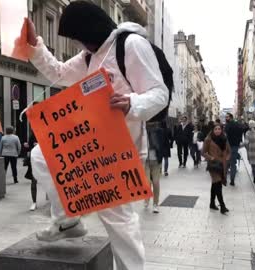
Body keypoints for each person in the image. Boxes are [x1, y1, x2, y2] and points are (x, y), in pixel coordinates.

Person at [26, 1, 170, 269]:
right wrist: (36, 46)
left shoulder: (132, 46)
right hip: (92, 143)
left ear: (91, 31)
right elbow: (59, 73)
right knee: (41, 155)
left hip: (122, 151)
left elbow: (159, 94)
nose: (80, 46)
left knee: (119, 220)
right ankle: (67, 221)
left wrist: (132, 103)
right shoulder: (90, 56)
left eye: (80, 40)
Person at [202, 124, 230, 214]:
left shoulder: (224, 138)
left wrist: (227, 158)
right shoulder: (208, 139)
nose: (217, 131)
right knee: (218, 184)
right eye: (216, 129)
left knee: (215, 184)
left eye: (219, 129)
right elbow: (203, 152)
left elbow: (229, 151)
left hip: (222, 164)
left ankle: (212, 203)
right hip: (213, 165)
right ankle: (222, 205)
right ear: (212, 130)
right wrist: (211, 158)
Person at [144, 122, 163, 214]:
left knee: (155, 182)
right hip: (145, 161)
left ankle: (155, 204)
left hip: (156, 160)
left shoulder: (159, 131)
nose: (150, 125)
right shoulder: (142, 132)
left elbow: (164, 144)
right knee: (146, 182)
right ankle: (146, 199)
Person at [224, 113, 243, 186]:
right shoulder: (238, 125)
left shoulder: (227, 125)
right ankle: (232, 180)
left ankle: (225, 179)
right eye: (226, 117)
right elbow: (241, 134)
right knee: (233, 163)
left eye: (227, 117)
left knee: (226, 163)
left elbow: (225, 136)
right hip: (235, 146)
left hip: (228, 147)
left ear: (231, 117)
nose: (226, 118)